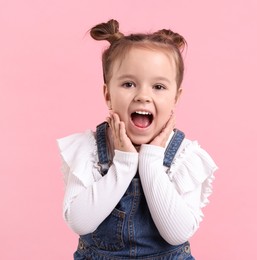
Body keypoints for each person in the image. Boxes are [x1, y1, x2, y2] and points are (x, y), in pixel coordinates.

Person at [57, 19, 218, 259]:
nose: (143, 95)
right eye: (129, 84)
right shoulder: (88, 150)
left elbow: (178, 233)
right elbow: (80, 222)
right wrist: (124, 163)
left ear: (176, 98)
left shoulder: (185, 157)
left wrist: (150, 161)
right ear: (108, 94)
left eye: (159, 87)